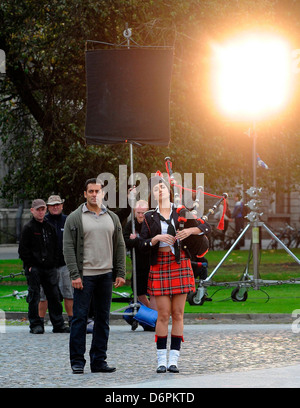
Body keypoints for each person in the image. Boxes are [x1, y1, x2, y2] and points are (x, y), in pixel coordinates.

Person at [139, 173, 211, 373]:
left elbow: (205, 226)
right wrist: (157, 238)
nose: (159, 190)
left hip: (179, 264)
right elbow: (141, 244)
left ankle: (174, 360)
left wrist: (190, 231)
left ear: (167, 190)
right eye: (155, 189)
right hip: (159, 265)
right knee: (163, 315)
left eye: (162, 187)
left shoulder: (180, 211)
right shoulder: (148, 217)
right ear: (153, 194)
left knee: (178, 314)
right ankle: (161, 360)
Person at [63, 178, 126, 374]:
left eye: (97, 191)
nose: (94, 194)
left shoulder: (112, 218)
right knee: (80, 319)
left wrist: (120, 271)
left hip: (106, 276)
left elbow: (120, 245)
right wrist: (75, 274)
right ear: (85, 194)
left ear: (103, 194)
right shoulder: (75, 218)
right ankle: (77, 362)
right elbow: (68, 247)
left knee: (102, 320)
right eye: (90, 191)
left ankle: (99, 361)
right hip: (84, 277)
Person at [18, 199, 69, 334]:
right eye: (38, 210)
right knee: (35, 296)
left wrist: (54, 262)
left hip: (50, 267)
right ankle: (36, 324)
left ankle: (58, 324)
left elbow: (55, 247)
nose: (41, 212)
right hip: (34, 268)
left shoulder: (49, 227)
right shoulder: (28, 228)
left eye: (42, 209)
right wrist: (29, 265)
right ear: (32, 211)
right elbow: (23, 250)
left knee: (54, 296)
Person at [39, 195, 73, 327]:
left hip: (65, 264)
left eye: (58, 204)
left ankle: (72, 320)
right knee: (43, 295)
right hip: (46, 266)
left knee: (68, 293)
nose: (55, 207)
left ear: (62, 205)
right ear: (48, 207)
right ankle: (39, 322)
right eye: (53, 205)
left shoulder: (68, 220)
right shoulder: (42, 221)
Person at [123, 199, 156, 310]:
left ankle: (154, 315)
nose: (141, 215)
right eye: (139, 213)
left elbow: (152, 242)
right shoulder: (131, 224)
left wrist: (137, 240)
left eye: (143, 213)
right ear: (134, 212)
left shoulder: (151, 224)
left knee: (153, 291)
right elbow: (126, 241)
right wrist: (140, 241)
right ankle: (150, 312)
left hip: (151, 262)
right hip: (137, 263)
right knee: (137, 289)